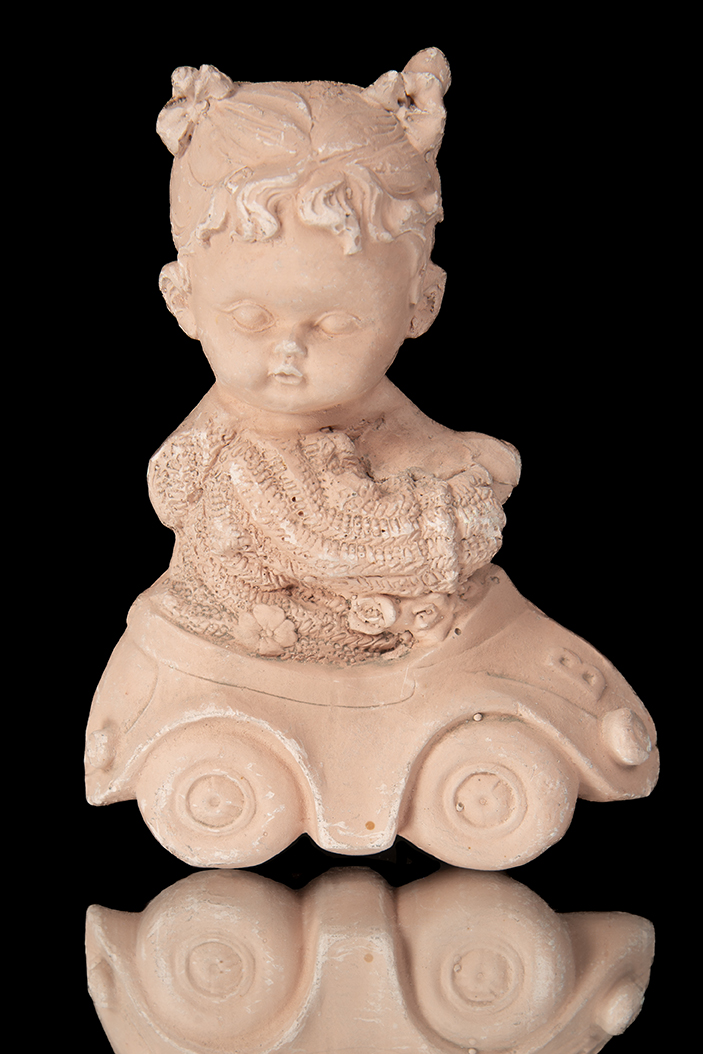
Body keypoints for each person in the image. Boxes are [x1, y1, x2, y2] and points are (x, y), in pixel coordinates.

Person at [146, 51, 521, 663]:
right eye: (251, 318)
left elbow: (431, 450)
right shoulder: (231, 456)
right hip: (231, 656)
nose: (288, 350)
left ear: (421, 306)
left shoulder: (375, 411)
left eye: (335, 324)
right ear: (181, 299)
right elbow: (323, 542)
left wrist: (456, 465)